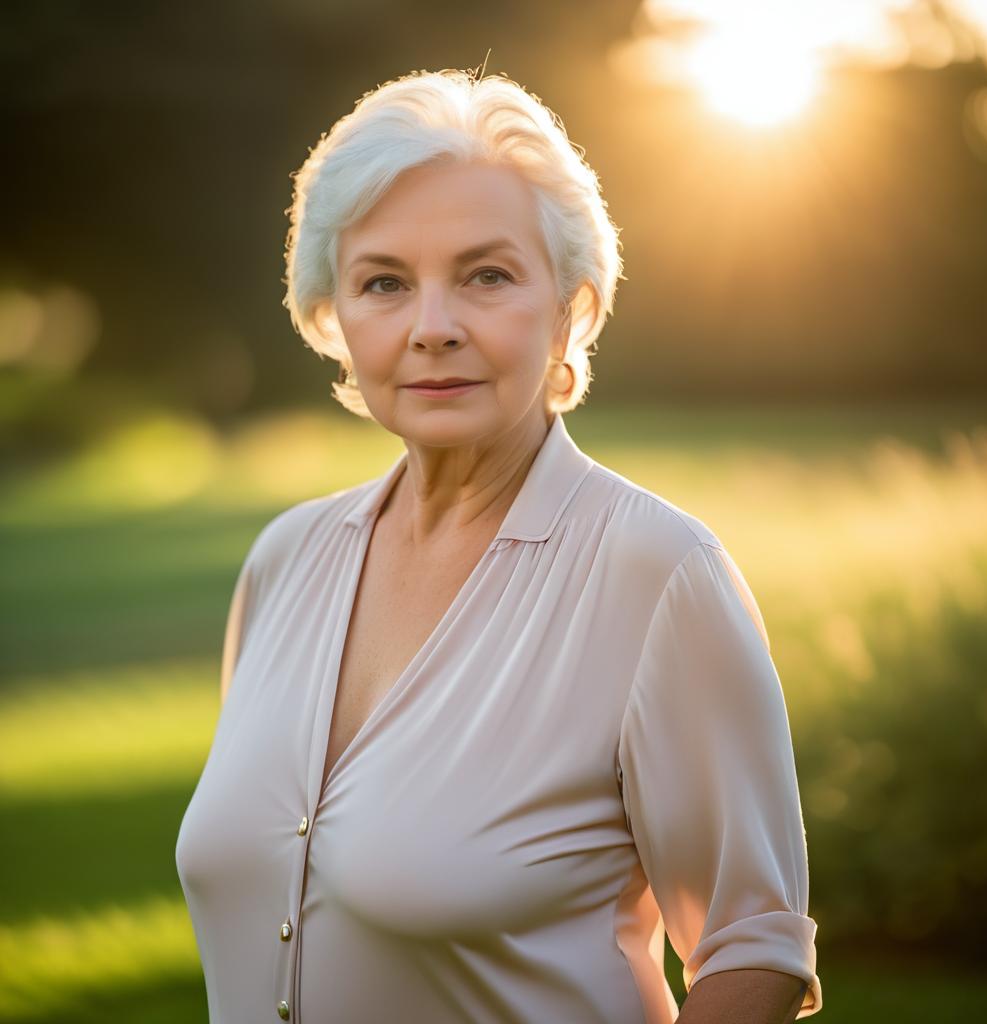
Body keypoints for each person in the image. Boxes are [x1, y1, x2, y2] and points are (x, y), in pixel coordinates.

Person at [175, 67, 822, 1023]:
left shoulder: (656, 574)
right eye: (384, 283)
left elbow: (754, 949)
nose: (432, 328)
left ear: (573, 307)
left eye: (487, 275)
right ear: (334, 318)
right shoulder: (283, 561)